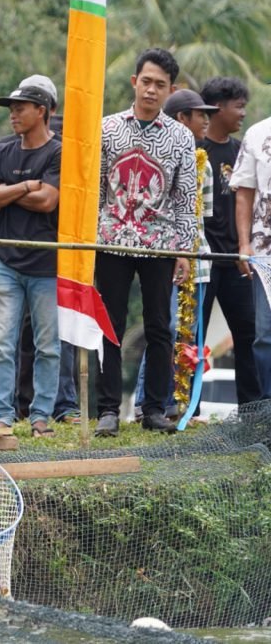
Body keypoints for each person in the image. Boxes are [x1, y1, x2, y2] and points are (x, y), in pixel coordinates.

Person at [94, 48, 197, 437]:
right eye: (147, 82)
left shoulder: (182, 138)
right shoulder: (107, 129)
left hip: (160, 244)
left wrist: (183, 251)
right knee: (110, 326)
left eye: (161, 85)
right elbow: (96, 189)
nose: (152, 91)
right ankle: (107, 409)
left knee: (159, 327)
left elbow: (185, 199)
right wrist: (89, 242)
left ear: (172, 90)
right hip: (111, 240)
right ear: (134, 82)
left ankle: (153, 408)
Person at [0, 83, 61, 436]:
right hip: (6, 262)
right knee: (0, 343)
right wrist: (27, 187)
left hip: (46, 265)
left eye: (20, 107)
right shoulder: (1, 150)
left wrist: (7, 194)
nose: (13, 114)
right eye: (11, 108)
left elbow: (49, 202)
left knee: (48, 346)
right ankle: (2, 416)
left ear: (41, 110)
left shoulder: (58, 153)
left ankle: (41, 415)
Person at [132, 89, 218, 416]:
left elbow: (203, 217)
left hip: (199, 261)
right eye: (200, 114)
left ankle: (180, 404)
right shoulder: (161, 157)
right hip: (167, 257)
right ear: (182, 119)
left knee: (189, 334)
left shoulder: (204, 166)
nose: (206, 120)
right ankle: (146, 400)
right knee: (163, 327)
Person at [199, 77, 260, 406]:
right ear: (217, 108)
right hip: (203, 263)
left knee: (249, 335)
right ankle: (186, 407)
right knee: (193, 335)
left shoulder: (242, 152)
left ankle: (251, 409)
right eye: (238, 106)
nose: (243, 114)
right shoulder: (197, 150)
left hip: (237, 260)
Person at [231, 110, 271, 399]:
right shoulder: (257, 134)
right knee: (265, 336)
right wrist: (244, 244)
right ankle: (268, 408)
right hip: (264, 253)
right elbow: (244, 192)